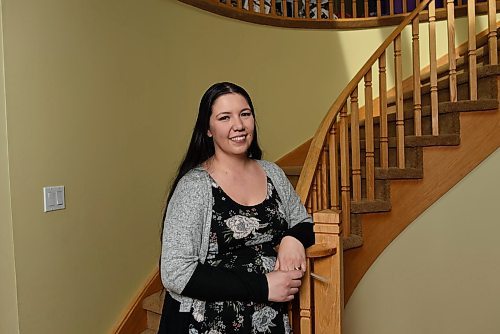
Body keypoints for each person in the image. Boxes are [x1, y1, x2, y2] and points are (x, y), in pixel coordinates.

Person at [158, 82, 314, 333]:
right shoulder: (195, 187)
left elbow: (303, 221)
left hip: (268, 321)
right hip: (207, 324)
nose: (238, 125)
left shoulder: (272, 173)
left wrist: (292, 239)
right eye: (224, 117)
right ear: (208, 129)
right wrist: (263, 286)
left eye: (245, 114)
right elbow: (176, 272)